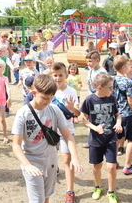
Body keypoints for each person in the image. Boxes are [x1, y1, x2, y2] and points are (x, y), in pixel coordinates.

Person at [12, 74, 83, 203]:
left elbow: (68, 136)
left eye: (51, 98)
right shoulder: (23, 113)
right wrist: (27, 165)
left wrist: (75, 158)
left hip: (51, 161)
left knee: (46, 197)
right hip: (32, 162)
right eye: (44, 98)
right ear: (34, 93)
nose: (48, 101)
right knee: (37, 200)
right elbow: (16, 145)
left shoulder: (55, 110)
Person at [80, 72, 122, 203]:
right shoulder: (89, 100)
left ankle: (111, 192)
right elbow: (83, 119)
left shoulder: (112, 98)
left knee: (111, 166)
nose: (112, 89)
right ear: (99, 87)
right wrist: (95, 128)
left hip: (111, 138)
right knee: (97, 166)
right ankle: (97, 187)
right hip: (95, 140)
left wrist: (119, 122)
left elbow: (117, 114)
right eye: (109, 87)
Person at [51, 62, 81, 202]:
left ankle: (70, 191)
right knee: (50, 157)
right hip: (50, 131)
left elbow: (78, 113)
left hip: (66, 131)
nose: (58, 78)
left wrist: (71, 107)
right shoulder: (49, 91)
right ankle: (54, 169)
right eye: (55, 75)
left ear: (66, 75)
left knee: (67, 160)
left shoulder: (71, 92)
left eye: (60, 75)